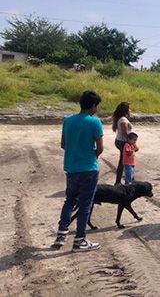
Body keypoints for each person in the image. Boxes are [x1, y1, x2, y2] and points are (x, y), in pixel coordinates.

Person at [51, 91, 104, 252]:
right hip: (88, 169)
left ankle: (61, 234)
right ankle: (80, 239)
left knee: (70, 200)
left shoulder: (68, 121)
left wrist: (75, 152)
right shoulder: (95, 123)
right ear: (94, 106)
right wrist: (90, 156)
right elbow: (100, 148)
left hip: (71, 168)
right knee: (85, 204)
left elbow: (63, 144)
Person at [112, 102, 133, 185]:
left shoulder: (121, 118)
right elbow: (125, 134)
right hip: (123, 142)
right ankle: (119, 182)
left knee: (124, 162)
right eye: (129, 109)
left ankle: (120, 181)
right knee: (123, 163)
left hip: (120, 141)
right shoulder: (123, 120)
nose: (130, 110)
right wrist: (133, 144)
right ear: (126, 110)